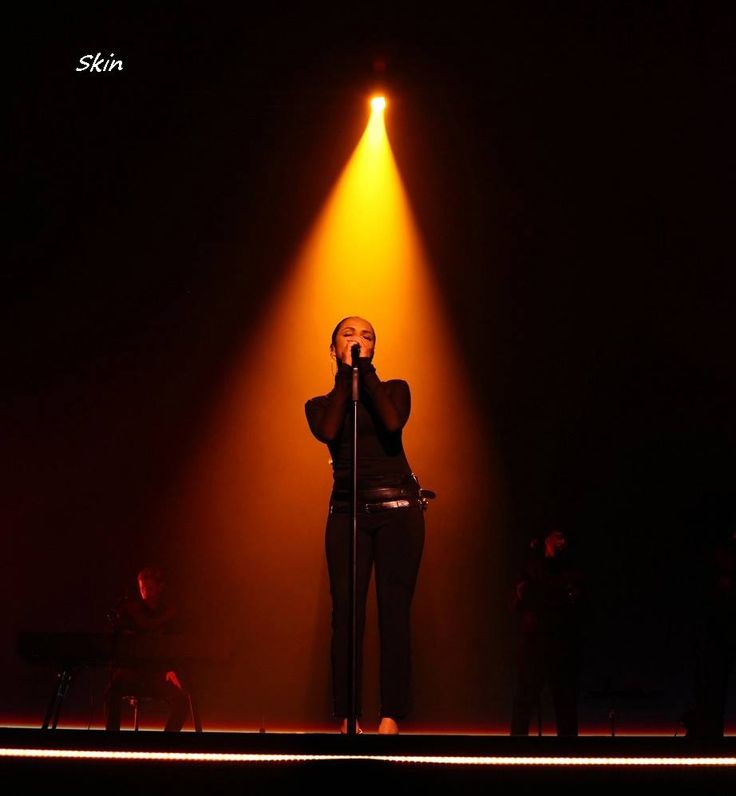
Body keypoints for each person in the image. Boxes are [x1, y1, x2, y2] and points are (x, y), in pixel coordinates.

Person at [305, 316, 429, 735]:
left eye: (368, 336)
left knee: (394, 614)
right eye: (348, 334)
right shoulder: (319, 404)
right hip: (347, 513)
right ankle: (348, 717)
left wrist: (365, 371)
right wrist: (346, 375)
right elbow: (328, 431)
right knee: (347, 616)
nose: (358, 340)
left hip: (398, 511)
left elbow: (393, 423)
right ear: (332, 347)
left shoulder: (394, 389)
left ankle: (391, 716)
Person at [509, 528, 584, 736]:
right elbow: (516, 602)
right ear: (547, 538)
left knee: (564, 701)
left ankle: (569, 754)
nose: (563, 542)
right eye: (559, 536)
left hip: (559, 644)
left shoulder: (567, 569)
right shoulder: (532, 566)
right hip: (536, 644)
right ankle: (515, 750)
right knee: (526, 697)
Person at [104, 567, 189, 732]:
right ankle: (112, 740)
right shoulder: (131, 610)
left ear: (160, 588)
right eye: (142, 588)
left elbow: (175, 646)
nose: (145, 592)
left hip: (156, 676)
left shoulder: (169, 612)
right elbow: (129, 634)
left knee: (182, 701)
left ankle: (166, 745)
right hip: (133, 674)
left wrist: (172, 671)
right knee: (111, 692)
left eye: (149, 588)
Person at [684, 529, 736, 739]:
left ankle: (709, 732)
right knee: (713, 686)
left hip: (715, 638)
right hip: (715, 638)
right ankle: (709, 732)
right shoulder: (714, 587)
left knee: (712, 685)